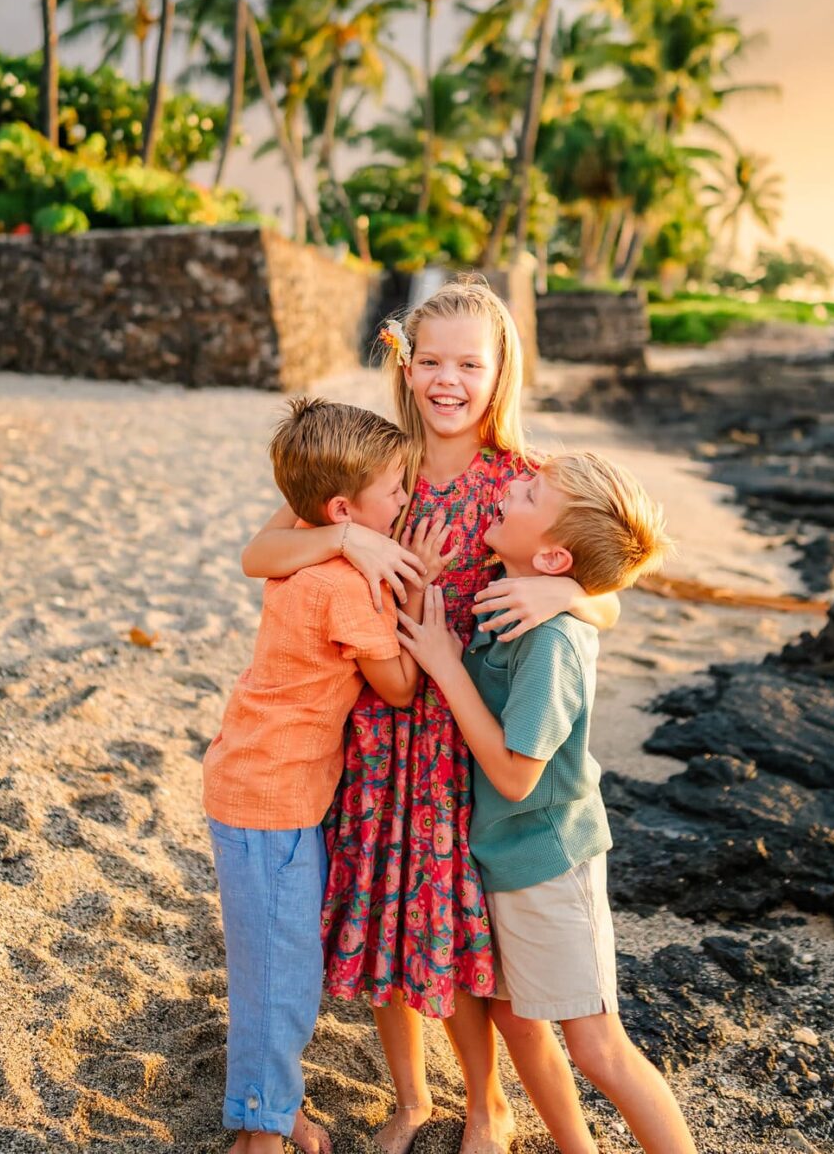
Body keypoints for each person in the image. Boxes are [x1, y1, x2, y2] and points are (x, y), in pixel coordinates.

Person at [241, 278, 619, 1154]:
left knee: (461, 932)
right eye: (433, 362)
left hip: (463, 745)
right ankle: (409, 1099)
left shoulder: (524, 485)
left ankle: (486, 1106)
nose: (448, 381)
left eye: (470, 365)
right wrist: (343, 537)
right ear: (407, 368)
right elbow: (261, 553)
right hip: (375, 733)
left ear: (500, 374)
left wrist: (565, 587)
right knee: (378, 911)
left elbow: (604, 601)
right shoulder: (379, 468)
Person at [398, 451, 697, 1154]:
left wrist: (444, 666)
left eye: (528, 493)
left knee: (597, 1047)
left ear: (554, 556)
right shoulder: (512, 588)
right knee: (515, 1020)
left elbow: (514, 777)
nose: (509, 488)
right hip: (500, 856)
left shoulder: (553, 640)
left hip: (549, 863)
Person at [203, 397, 421, 1154]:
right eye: (394, 489)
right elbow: (396, 687)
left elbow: (262, 546)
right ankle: (261, 1130)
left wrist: (343, 533)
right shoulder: (342, 584)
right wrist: (415, 612)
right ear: (341, 507)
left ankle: (274, 1104)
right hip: (272, 801)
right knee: (279, 977)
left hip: (257, 783)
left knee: (278, 962)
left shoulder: (300, 537)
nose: (404, 498)